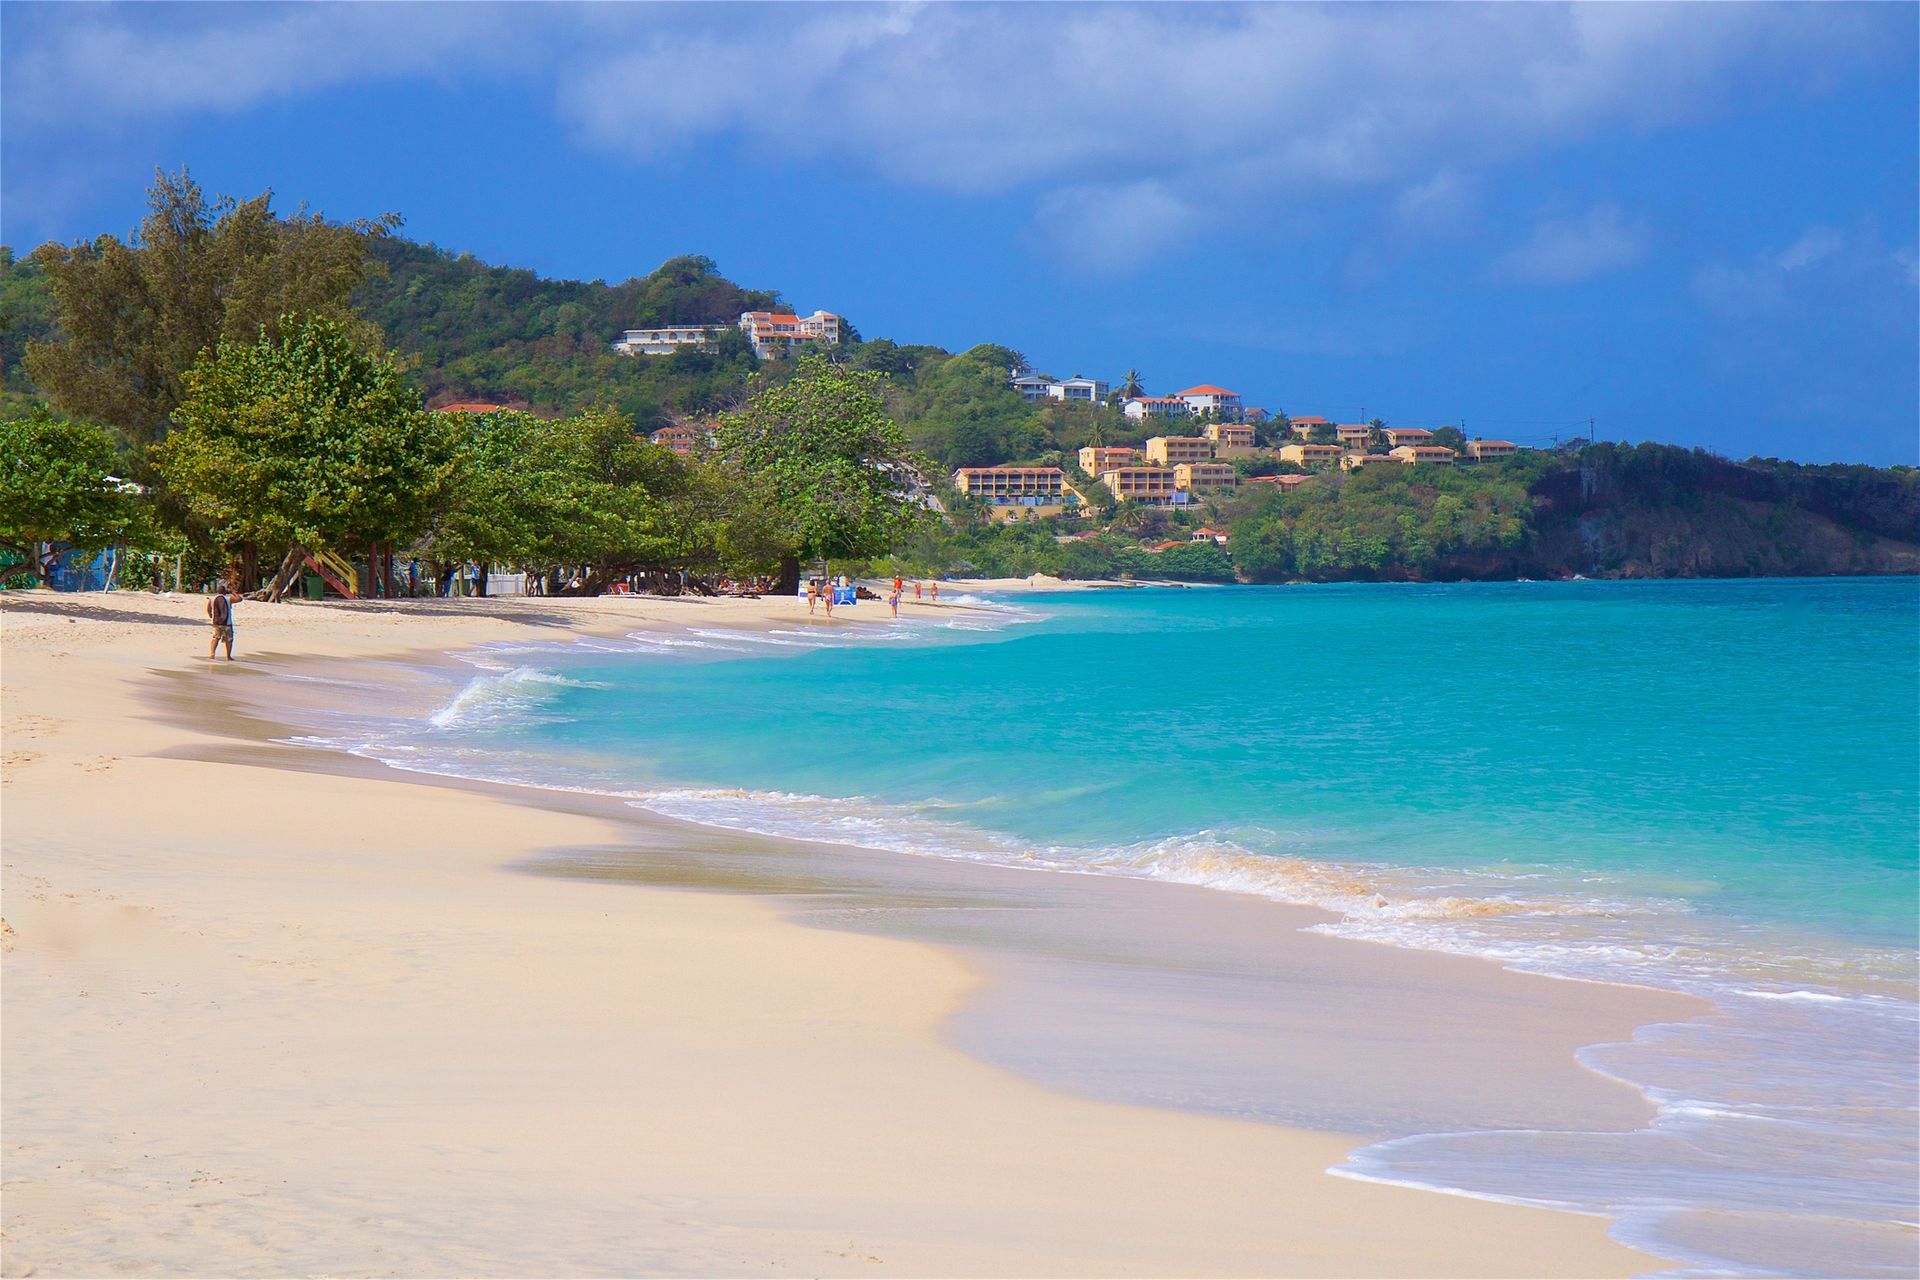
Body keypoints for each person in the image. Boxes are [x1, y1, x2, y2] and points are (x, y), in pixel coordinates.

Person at [207, 582, 236, 661]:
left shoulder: (212, 599)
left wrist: (210, 615)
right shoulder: (228, 599)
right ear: (224, 592)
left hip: (216, 623)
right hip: (227, 623)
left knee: (216, 638)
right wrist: (232, 592)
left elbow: (208, 608)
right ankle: (228, 656)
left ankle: (212, 654)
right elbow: (239, 599)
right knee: (229, 640)